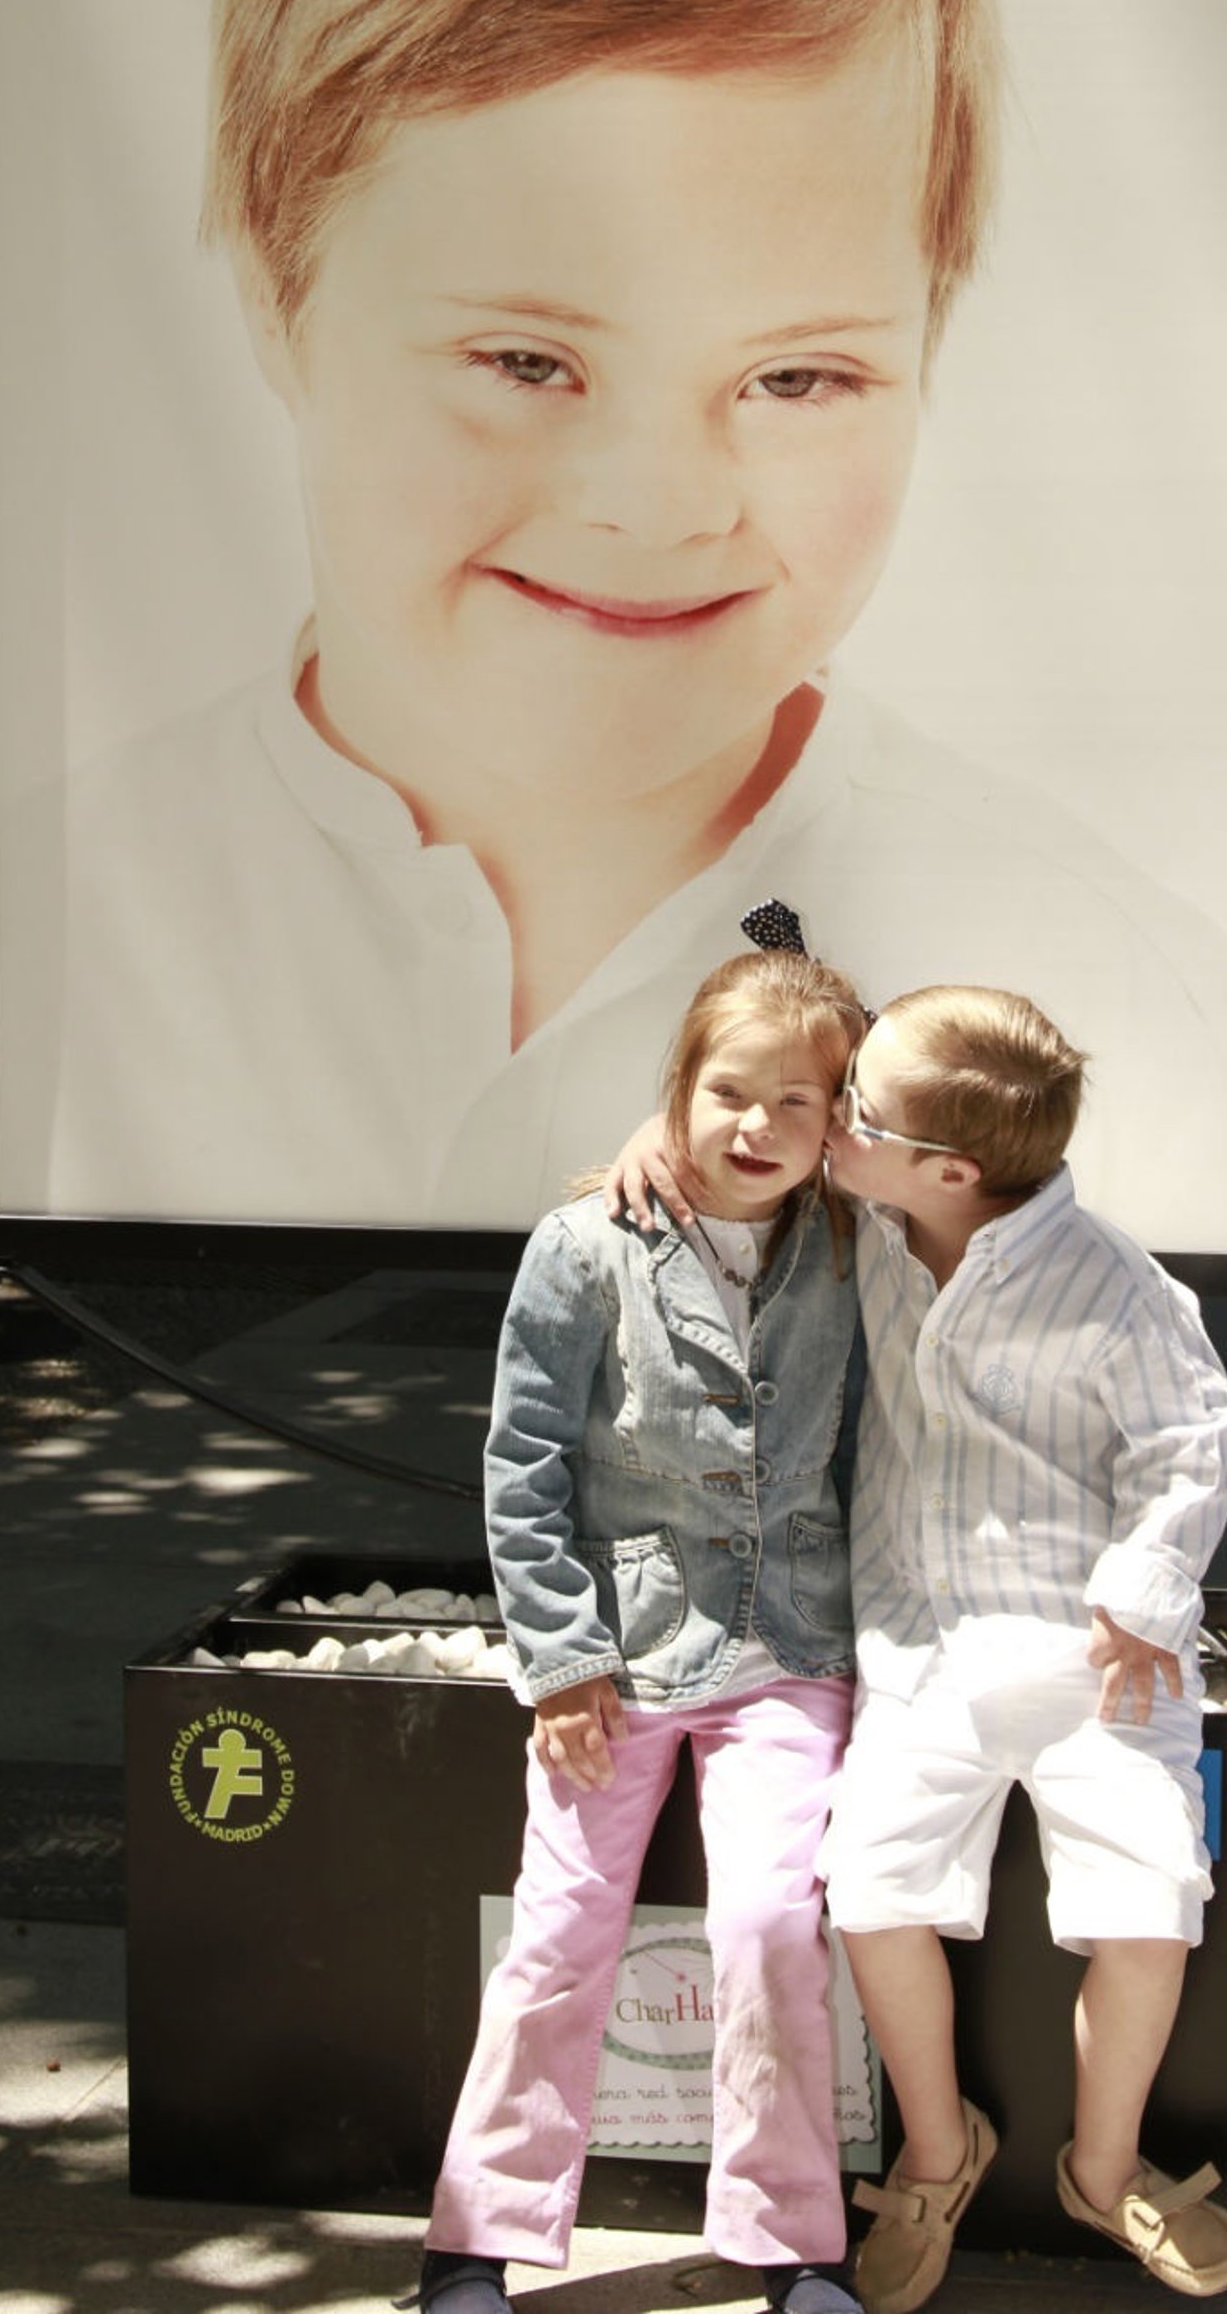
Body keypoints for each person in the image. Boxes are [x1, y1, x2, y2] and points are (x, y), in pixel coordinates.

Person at [9, 0, 1227, 1249]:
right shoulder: (63, 906)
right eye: (526, 362)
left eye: (795, 376)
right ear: (279, 288)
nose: (661, 504)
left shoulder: (1114, 1000)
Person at [610, 984, 1227, 2302]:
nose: (831, 1118)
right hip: (922, 1642)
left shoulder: (1116, 1286)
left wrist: (1145, 1587)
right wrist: (656, 1135)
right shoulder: (867, 1220)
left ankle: (1105, 2163)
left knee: (1149, 1908)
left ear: (950, 1169)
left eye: (855, 1107)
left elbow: (1189, 1442)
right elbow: (762, 1076)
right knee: (872, 1889)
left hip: (1096, 1655)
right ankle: (940, 2143)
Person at [402, 948, 872, 2314]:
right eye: (729, 1091)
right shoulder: (583, 1246)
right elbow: (523, 1461)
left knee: (773, 1926)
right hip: (618, 1655)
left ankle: (792, 2238)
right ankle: (474, 2233)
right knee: (558, 1930)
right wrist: (559, 1657)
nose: (757, 1125)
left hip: (790, 1648)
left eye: (797, 1101)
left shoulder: (855, 1244)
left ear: (837, 1118)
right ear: (679, 1085)